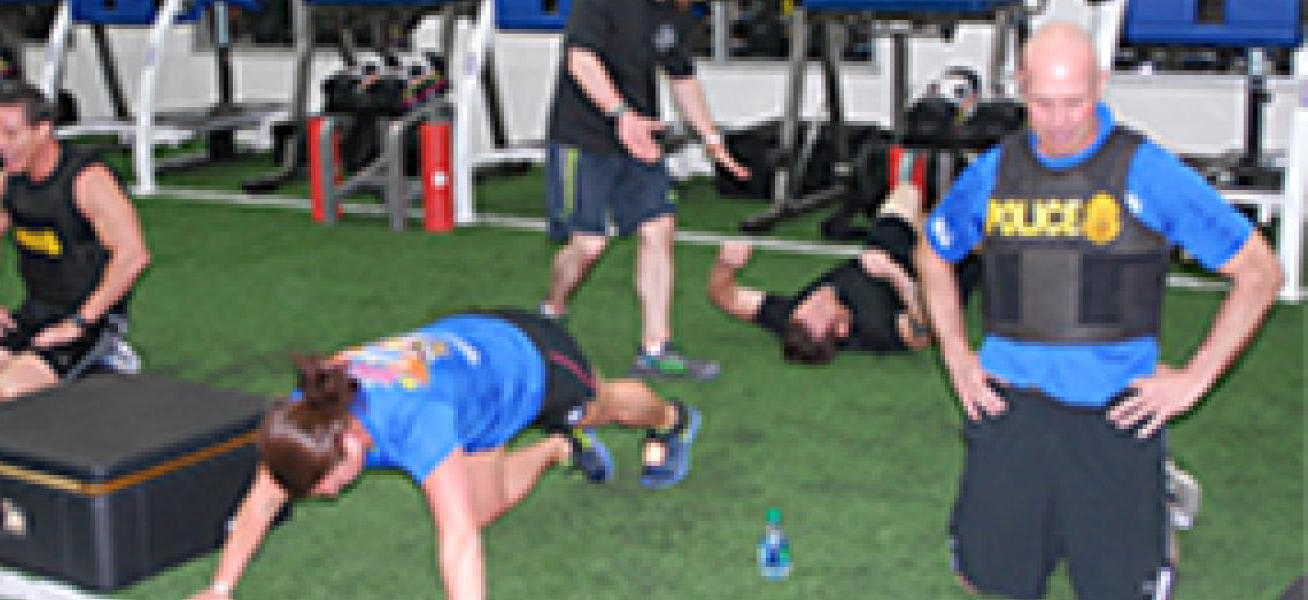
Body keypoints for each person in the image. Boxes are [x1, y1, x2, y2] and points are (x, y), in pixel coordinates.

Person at [916, 22, 1283, 600]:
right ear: (1020, 87)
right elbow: (934, 254)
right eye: (1043, 103)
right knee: (991, 578)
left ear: (1103, 85)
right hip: (1011, 412)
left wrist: (1195, 379)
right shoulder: (995, 172)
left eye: (1075, 102)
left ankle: (1156, 501)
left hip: (1114, 417)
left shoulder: (1147, 172)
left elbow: (1259, 272)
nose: (1060, 121)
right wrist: (957, 356)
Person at [188, 309, 702, 600]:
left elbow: (458, 541)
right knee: (485, 506)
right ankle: (560, 449)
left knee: (602, 405)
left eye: (327, 482)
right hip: (472, 397)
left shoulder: (416, 424)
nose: (326, 494)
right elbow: (261, 499)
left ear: (349, 443)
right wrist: (221, 587)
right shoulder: (308, 419)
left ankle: (673, 419)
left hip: (529, 361)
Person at [541, 0, 750, 379]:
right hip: (583, 135)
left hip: (641, 137)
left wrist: (711, 137)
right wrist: (621, 115)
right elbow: (581, 60)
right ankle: (553, 310)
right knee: (589, 246)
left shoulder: (678, 13)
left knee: (658, 229)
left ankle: (654, 349)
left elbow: (681, 77)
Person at [0, 81, 149, 406]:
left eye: (12, 135)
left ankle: (107, 363)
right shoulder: (8, 183)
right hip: (38, 311)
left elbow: (133, 255)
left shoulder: (88, 181)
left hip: (92, 320)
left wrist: (80, 322)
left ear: (43, 131)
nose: (2, 146)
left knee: (10, 391)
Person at [708, 183, 975, 363]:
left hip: (891, 241)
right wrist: (895, 275)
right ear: (842, 328)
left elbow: (726, 298)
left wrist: (725, 267)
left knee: (906, 190)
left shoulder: (791, 317)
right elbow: (924, 332)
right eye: (818, 313)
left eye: (803, 309)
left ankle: (933, 215)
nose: (812, 302)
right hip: (941, 270)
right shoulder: (875, 328)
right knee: (970, 209)